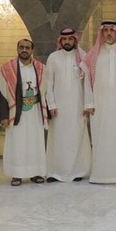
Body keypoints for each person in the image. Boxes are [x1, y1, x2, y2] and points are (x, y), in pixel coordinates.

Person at [82, 21, 116, 184]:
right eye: (105, 31)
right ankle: (101, 173)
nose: (108, 34)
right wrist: (89, 103)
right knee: (101, 137)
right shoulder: (93, 54)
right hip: (101, 105)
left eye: (112, 30)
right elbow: (87, 81)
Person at [0, 39, 47, 186]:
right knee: (17, 143)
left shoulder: (40, 68)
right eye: (21, 47)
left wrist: (48, 113)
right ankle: (17, 174)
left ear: (32, 50)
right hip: (16, 112)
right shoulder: (8, 68)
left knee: (35, 142)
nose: (24, 50)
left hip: (35, 111)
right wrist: (4, 116)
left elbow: (45, 91)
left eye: (27, 47)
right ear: (17, 49)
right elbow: (2, 94)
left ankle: (35, 172)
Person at [45, 27, 91, 182]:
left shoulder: (83, 56)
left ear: (75, 40)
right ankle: (56, 172)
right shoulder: (53, 57)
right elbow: (48, 83)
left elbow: (88, 83)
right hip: (58, 107)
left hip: (77, 106)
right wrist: (51, 105)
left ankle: (77, 171)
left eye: (70, 39)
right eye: (64, 39)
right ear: (60, 40)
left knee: (76, 137)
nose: (67, 42)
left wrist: (87, 104)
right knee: (58, 139)